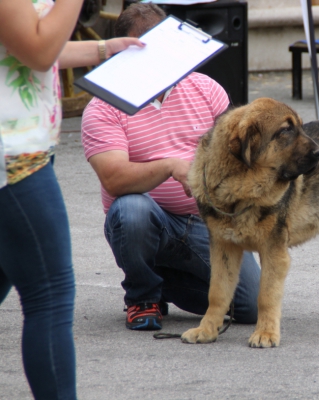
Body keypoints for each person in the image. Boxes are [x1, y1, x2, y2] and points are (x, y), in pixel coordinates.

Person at [81, 3, 261, 332]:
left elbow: (237, 159)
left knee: (249, 306)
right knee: (131, 210)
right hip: (144, 218)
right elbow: (114, 179)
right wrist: (169, 166)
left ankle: (158, 280)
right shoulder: (103, 105)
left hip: (207, 220)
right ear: (123, 52)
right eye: (145, 47)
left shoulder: (206, 88)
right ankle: (142, 295)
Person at [0, 0, 144, 399]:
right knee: (50, 294)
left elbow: (24, 45)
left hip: (20, 152)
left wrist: (103, 50)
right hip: (13, 159)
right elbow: (38, 49)